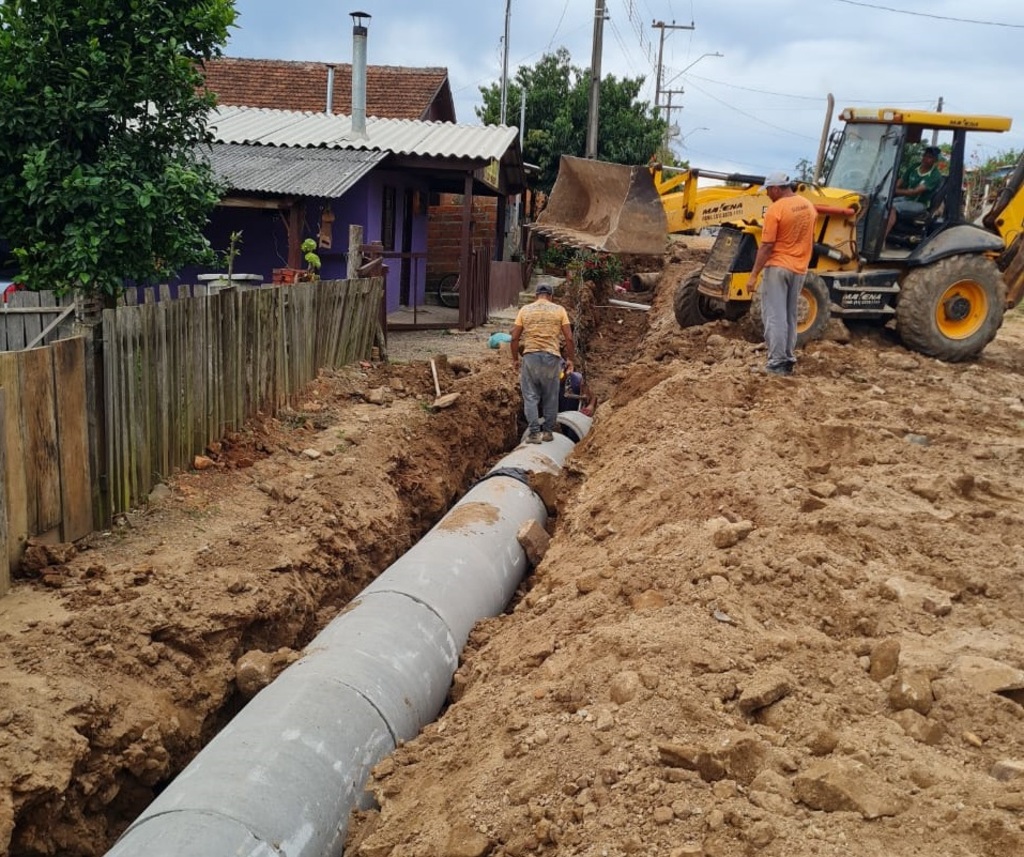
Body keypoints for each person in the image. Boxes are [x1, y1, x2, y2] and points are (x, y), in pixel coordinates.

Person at [748, 172, 817, 376]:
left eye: (768, 190)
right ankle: (787, 359)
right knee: (789, 315)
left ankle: (776, 362)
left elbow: (767, 245)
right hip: (799, 269)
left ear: (777, 188)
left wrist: (753, 275)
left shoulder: (775, 209)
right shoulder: (808, 206)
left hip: (778, 267)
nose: (768, 194)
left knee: (774, 316)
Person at [510, 282, 576, 443]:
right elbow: (569, 337)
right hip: (552, 357)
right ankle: (547, 432)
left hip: (530, 357)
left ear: (536, 296)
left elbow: (514, 337)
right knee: (551, 396)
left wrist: (515, 360)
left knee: (531, 397)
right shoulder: (559, 310)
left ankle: (533, 434)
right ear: (551, 296)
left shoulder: (525, 310)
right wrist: (570, 359)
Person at [886, 145, 944, 239]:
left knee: (892, 207)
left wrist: (894, 191)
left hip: (920, 203)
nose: (926, 159)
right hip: (906, 199)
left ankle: (881, 240)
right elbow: (900, 182)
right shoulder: (914, 167)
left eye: (930, 157)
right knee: (882, 203)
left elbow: (914, 192)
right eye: (925, 155)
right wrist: (891, 189)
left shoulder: (935, 175)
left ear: (935, 160)